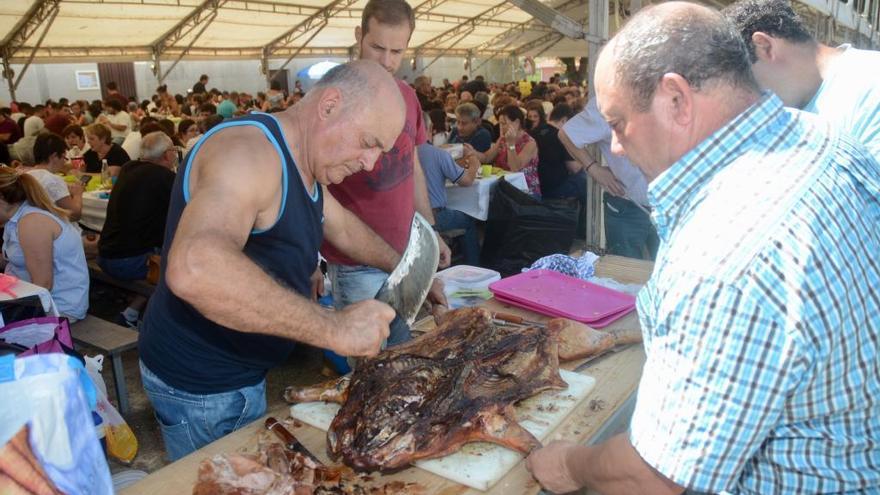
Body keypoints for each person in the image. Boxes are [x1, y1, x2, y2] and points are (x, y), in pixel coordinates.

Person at [526, 3, 880, 493]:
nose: (618, 146)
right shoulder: (826, 140)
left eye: (620, 122)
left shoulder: (720, 251)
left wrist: (570, 465)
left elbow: (653, 475)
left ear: (677, 99)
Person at [139, 60, 409, 461]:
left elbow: (344, 228)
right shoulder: (248, 154)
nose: (369, 163)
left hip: (242, 373)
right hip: (203, 388)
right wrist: (333, 327)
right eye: (369, 142)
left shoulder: (307, 160)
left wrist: (404, 266)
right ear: (330, 105)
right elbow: (195, 267)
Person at [321, 0, 451, 347]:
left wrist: (430, 230)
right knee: (368, 359)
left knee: (401, 345)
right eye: (377, 47)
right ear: (358, 37)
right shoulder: (331, 97)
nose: (387, 61)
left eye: (397, 51)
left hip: (404, 251)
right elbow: (311, 183)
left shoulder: (407, 96)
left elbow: (414, 168)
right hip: (354, 259)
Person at [723, 0, 880, 159]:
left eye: (747, 84)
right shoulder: (792, 113)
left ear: (765, 47)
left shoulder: (872, 82)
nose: (750, 102)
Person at [560, 96, 657, 259]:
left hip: (675, 204)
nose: (617, 147)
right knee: (625, 276)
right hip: (628, 204)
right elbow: (567, 134)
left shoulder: (677, 92)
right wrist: (593, 168)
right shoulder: (610, 98)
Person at [98, 131, 177, 328]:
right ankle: (163, 325)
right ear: (167, 155)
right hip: (130, 262)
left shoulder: (128, 168)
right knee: (179, 266)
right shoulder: (164, 177)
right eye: (174, 151)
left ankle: (132, 313)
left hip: (106, 255)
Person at [0, 167, 88, 321]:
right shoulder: (16, 218)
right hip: (28, 297)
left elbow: (43, 284)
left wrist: (12, 311)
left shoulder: (32, 222)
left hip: (58, 308)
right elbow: (12, 260)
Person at [417, 142, 479, 265]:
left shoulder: (401, 153)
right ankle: (474, 267)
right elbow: (466, 181)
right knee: (470, 220)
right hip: (434, 216)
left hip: (410, 218)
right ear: (428, 129)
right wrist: (474, 163)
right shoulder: (438, 154)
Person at [472, 104, 541, 197]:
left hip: (525, 192)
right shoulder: (503, 139)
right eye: (499, 123)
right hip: (504, 189)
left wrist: (511, 145)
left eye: (504, 123)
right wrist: (472, 152)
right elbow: (486, 158)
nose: (500, 127)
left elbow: (515, 168)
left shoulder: (529, 143)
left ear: (516, 122)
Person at [25, 132, 83, 221]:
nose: (64, 162)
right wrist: (77, 194)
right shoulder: (53, 180)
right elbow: (74, 215)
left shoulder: (26, 175)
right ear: (54, 156)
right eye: (64, 158)